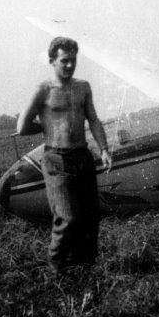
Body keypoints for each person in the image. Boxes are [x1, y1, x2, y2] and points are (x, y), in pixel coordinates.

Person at [17, 36, 113, 273]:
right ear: (52, 60)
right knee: (67, 217)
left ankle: (86, 269)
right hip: (56, 160)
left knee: (90, 217)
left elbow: (93, 119)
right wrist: (47, 128)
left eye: (73, 60)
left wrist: (104, 149)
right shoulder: (43, 89)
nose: (70, 65)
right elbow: (21, 126)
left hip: (83, 158)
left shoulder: (83, 87)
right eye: (64, 60)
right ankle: (57, 268)